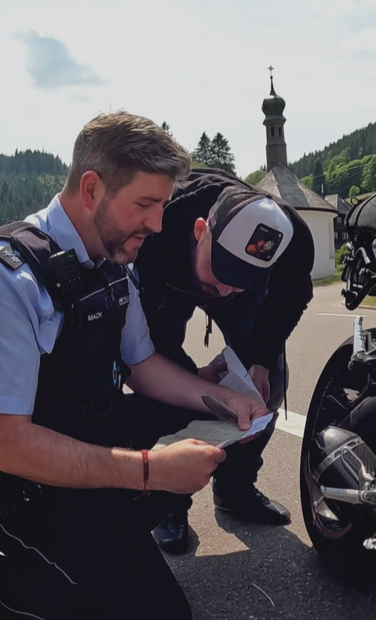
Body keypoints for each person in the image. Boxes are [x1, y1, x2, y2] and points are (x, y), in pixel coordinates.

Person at [0, 113, 270, 620]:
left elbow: (145, 366)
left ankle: (99, 543)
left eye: (162, 208)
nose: (157, 226)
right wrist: (151, 471)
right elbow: (4, 446)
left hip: (72, 435)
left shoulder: (108, 261)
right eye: (145, 206)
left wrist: (226, 403)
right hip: (0, 476)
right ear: (91, 188)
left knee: (198, 433)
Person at [133, 167, 315, 554]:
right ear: (201, 230)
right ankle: (170, 501)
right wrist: (186, 379)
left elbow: (288, 301)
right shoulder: (159, 224)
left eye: (241, 280)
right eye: (222, 272)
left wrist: (262, 361)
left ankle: (234, 488)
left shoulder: (294, 241)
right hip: (167, 280)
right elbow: (143, 351)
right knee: (167, 384)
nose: (223, 290)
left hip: (227, 281)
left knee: (268, 383)